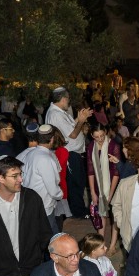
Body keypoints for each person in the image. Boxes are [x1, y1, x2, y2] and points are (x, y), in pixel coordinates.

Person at [46, 87, 93, 218]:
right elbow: (72, 134)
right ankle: (78, 212)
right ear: (63, 99)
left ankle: (78, 209)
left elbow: (71, 127)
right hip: (69, 153)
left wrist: (79, 119)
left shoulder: (60, 112)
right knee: (75, 183)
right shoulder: (56, 114)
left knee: (78, 181)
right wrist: (81, 122)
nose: (69, 102)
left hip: (73, 153)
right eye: (68, 99)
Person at [87, 121, 122, 250]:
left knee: (114, 216)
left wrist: (110, 194)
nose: (100, 139)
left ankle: (112, 245)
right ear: (92, 135)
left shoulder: (114, 146)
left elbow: (116, 172)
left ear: (106, 133)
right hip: (98, 186)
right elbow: (90, 170)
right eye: (96, 137)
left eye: (102, 135)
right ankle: (101, 244)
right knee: (100, 214)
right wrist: (92, 192)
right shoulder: (91, 147)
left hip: (114, 185)